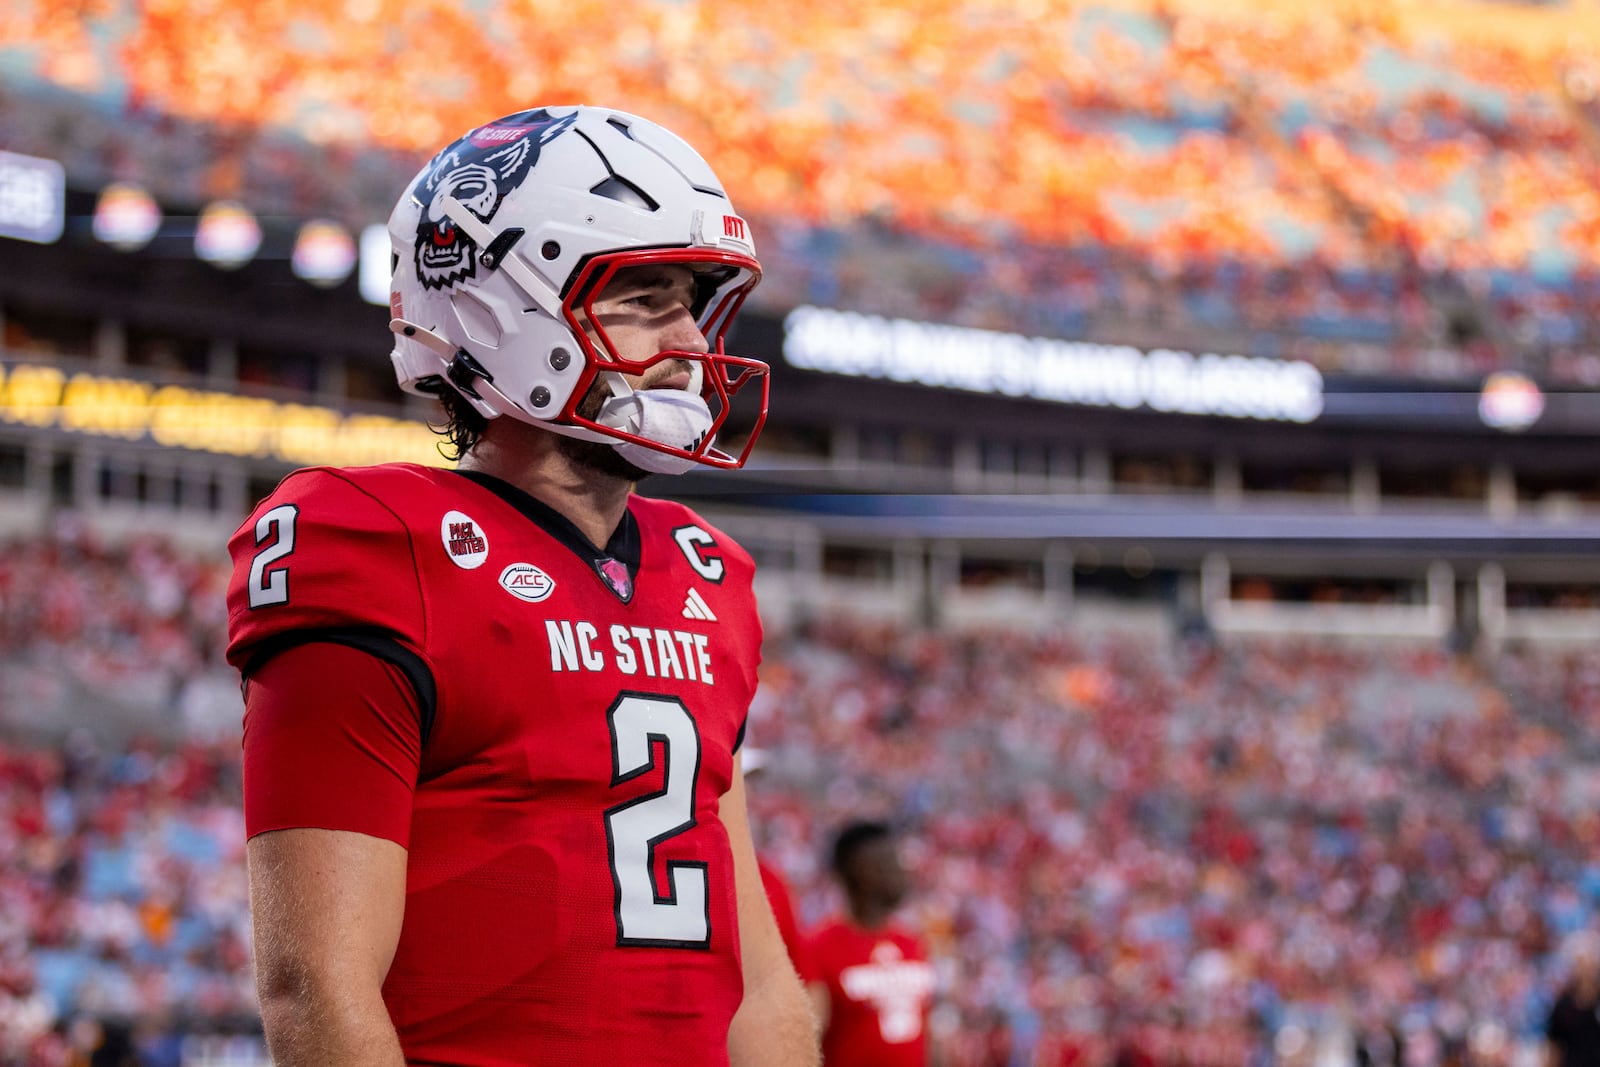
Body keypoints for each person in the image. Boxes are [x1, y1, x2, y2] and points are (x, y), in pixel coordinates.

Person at [225, 105, 817, 1066]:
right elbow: (318, 986)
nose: (687, 340)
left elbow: (754, 981)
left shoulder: (709, 571)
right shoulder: (378, 542)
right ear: (500, 311)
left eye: (692, 301)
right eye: (643, 297)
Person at [805, 820, 937, 1067]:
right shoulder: (817, 948)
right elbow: (808, 1039)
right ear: (860, 870)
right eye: (890, 863)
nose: (902, 872)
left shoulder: (912, 941)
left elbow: (925, 1037)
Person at [1546, 936, 1600, 1067]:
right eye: (1580, 964)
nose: (1585, 970)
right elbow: (1555, 1046)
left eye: (1589, 964)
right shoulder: (1563, 1006)